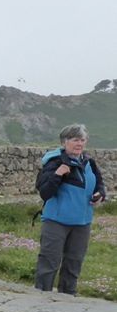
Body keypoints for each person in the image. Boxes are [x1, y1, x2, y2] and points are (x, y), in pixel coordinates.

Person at [34, 124, 106, 294]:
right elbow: (45, 192)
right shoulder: (54, 162)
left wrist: (100, 194)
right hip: (56, 221)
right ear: (64, 142)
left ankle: (67, 298)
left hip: (82, 222)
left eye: (82, 140)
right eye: (75, 140)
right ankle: (40, 298)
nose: (79, 143)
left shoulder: (89, 162)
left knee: (74, 263)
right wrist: (58, 174)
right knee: (49, 262)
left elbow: (100, 184)